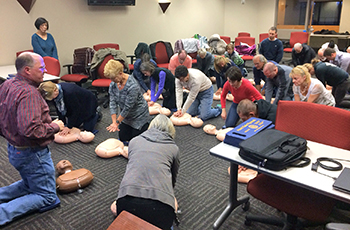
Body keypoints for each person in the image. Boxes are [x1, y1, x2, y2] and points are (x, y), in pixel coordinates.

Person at [0, 52, 64, 225]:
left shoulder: (8, 83)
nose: (45, 70)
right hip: (31, 153)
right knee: (47, 196)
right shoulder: (29, 94)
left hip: (14, 149)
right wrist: (55, 127)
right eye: (41, 67)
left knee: (30, 183)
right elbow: (31, 130)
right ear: (27, 70)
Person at [114, 114, 180, 230]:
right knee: (171, 206)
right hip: (160, 209)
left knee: (115, 208)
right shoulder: (173, 148)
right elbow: (172, 179)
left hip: (126, 203)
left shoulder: (134, 141)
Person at [104, 59, 150, 143]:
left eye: (114, 78)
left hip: (138, 115)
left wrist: (117, 122)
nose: (112, 81)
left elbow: (127, 108)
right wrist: (114, 122)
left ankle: (146, 124)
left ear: (120, 73)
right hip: (126, 117)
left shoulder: (132, 86)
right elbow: (112, 102)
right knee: (123, 138)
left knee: (135, 141)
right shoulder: (113, 84)